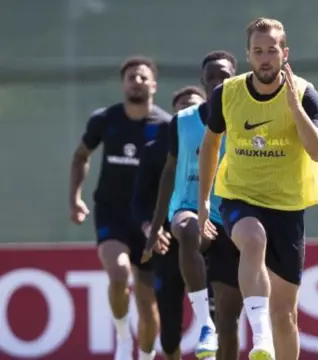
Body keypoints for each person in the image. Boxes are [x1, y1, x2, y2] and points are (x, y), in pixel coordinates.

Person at [198, 17, 318, 360]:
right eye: (258, 51)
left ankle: (271, 335)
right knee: (253, 240)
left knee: (286, 316)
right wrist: (202, 205)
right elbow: (210, 145)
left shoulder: (304, 93)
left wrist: (294, 108)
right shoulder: (227, 94)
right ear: (248, 55)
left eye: (272, 50)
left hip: (287, 207)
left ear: (285, 53)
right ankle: (260, 337)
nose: (265, 58)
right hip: (240, 196)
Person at [143, 50, 243, 360]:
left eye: (223, 75)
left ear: (236, 79)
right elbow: (169, 172)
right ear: (203, 80)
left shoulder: (247, 119)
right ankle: (203, 324)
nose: (217, 81)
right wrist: (157, 224)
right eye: (211, 76)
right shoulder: (182, 122)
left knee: (229, 319)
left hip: (232, 215)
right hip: (189, 207)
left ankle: (218, 329)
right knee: (186, 228)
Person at [69, 56, 171, 360]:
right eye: (130, 77)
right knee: (119, 273)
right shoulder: (105, 120)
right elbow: (80, 156)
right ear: (122, 84)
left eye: (142, 77)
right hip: (112, 213)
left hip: (150, 222)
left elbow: (176, 175)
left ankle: (147, 354)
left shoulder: (166, 126)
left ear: (153, 84)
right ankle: (123, 336)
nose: (136, 82)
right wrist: (74, 198)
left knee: (146, 299)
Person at [131, 86, 206, 360]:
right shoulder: (154, 150)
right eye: (183, 106)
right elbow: (140, 201)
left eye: (196, 105)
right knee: (171, 324)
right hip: (169, 244)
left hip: (208, 240)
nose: (189, 110)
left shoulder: (222, 140)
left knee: (219, 315)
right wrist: (151, 228)